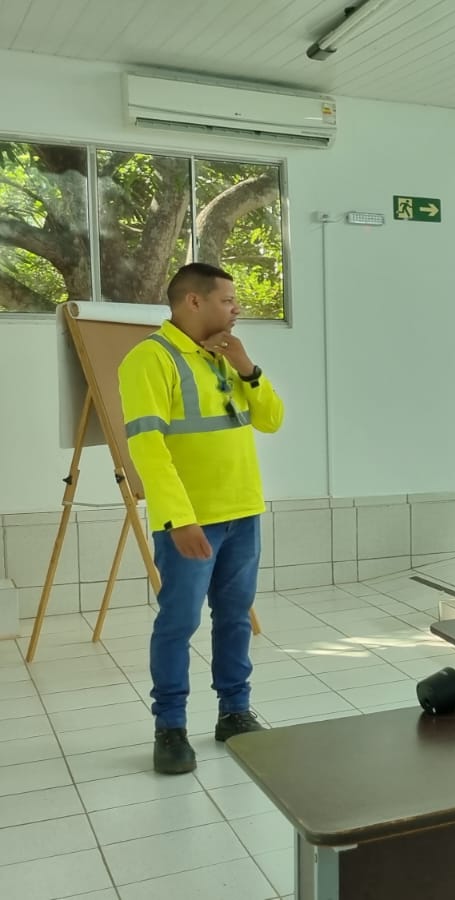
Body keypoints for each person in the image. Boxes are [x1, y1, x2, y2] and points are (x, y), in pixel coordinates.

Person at [118, 263, 285, 774]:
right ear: (193, 302)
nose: (236, 309)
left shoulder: (226, 356)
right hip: (192, 520)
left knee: (235, 617)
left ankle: (234, 713)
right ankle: (169, 727)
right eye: (228, 300)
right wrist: (178, 518)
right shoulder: (149, 359)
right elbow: (147, 449)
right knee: (179, 621)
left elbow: (271, 420)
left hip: (243, 512)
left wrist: (248, 367)